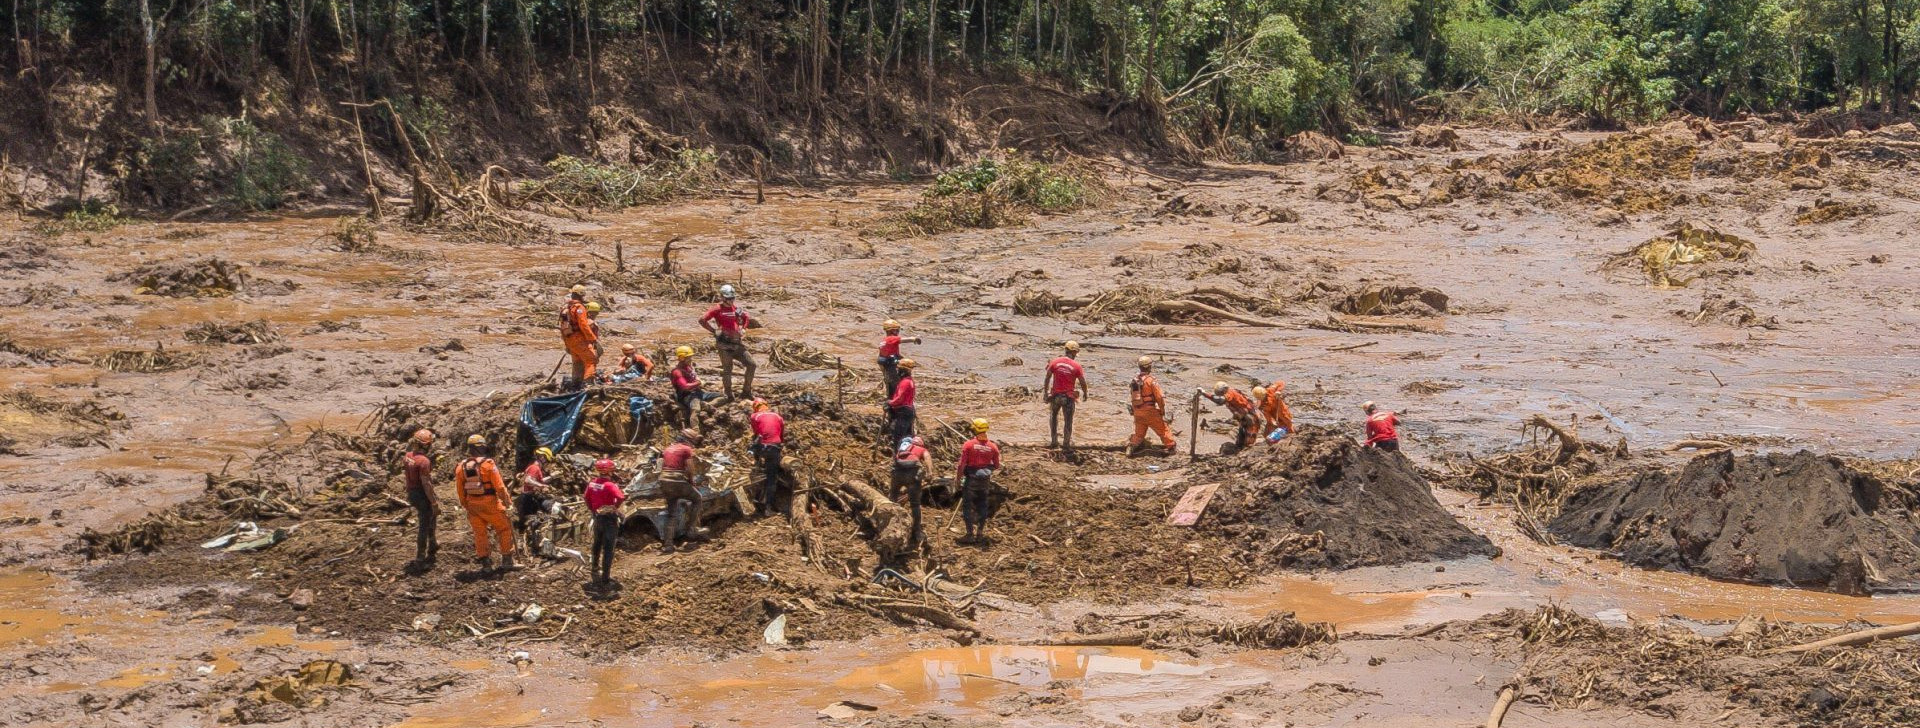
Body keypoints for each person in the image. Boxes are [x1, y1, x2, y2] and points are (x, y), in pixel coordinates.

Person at [454, 434, 516, 571]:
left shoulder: (460, 467)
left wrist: (466, 505)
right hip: (490, 503)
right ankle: (507, 560)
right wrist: (508, 503)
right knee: (504, 528)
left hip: (472, 505)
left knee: (479, 533)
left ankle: (486, 564)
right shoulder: (488, 465)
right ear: (481, 447)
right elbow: (500, 487)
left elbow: (460, 490)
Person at [699, 284, 756, 400]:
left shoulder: (735, 308)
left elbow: (746, 317)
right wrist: (714, 331)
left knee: (752, 364)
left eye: (732, 298)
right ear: (722, 298)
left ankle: (746, 391)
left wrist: (743, 328)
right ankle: (729, 394)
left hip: (737, 344)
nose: (731, 301)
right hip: (724, 345)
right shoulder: (717, 309)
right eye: (728, 298)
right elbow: (702, 320)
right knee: (728, 369)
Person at [657, 429, 708, 554]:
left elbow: (662, 466)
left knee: (672, 513)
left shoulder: (668, 449)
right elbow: (690, 468)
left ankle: (668, 545)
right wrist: (691, 482)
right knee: (697, 498)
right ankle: (691, 529)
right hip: (676, 479)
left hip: (664, 480)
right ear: (689, 440)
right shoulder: (686, 449)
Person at [955, 419, 1001, 544]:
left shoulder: (968, 445)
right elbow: (996, 465)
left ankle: (970, 534)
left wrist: (958, 479)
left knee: (967, 506)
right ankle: (980, 533)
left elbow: (961, 465)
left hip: (971, 480)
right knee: (982, 505)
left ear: (974, 430)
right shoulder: (993, 447)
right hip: (985, 481)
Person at [584, 458, 626, 587]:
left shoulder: (592, 483)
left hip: (598, 517)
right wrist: (614, 507)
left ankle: (594, 567)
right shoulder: (609, 485)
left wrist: (593, 510)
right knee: (608, 548)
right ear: (610, 471)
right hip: (609, 519)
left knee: (597, 543)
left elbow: (586, 497)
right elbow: (621, 497)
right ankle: (605, 579)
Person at [1042, 341, 1089, 452]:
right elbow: (1082, 382)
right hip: (1068, 398)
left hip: (1055, 396)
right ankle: (1066, 444)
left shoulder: (1055, 362)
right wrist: (1085, 393)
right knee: (1068, 421)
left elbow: (1047, 377)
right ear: (1074, 352)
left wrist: (1045, 392)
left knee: (1053, 418)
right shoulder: (1076, 366)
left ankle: (1054, 441)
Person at [400, 429, 439, 564]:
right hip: (422, 494)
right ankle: (421, 555)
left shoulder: (408, 456)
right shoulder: (424, 461)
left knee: (430, 517)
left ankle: (433, 543)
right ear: (426, 445)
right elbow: (426, 483)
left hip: (412, 492)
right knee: (424, 523)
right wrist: (434, 502)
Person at [1126, 357, 1177, 456]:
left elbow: (1132, 396)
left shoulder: (1134, 380)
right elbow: (1159, 397)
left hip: (1137, 411)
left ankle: (1131, 446)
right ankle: (1171, 447)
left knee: (1139, 434)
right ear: (1149, 367)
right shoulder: (1151, 381)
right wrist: (1162, 410)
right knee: (1163, 429)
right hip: (1149, 411)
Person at [516, 447, 559, 558]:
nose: (546, 462)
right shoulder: (534, 467)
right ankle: (530, 548)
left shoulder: (535, 468)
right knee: (531, 522)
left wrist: (552, 476)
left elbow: (540, 480)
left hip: (529, 498)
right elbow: (528, 480)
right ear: (542, 457)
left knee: (532, 522)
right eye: (546, 460)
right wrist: (541, 486)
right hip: (527, 499)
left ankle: (531, 547)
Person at [748, 399, 786, 516]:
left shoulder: (754, 416)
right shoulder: (778, 416)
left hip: (761, 448)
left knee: (754, 443)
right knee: (771, 478)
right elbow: (781, 436)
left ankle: (757, 462)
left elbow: (756, 433)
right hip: (774, 448)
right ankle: (768, 507)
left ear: (755, 408)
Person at [890, 436, 930, 547]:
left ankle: (891, 524)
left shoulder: (902, 448)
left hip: (897, 474)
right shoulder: (921, 449)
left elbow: (894, 461)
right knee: (915, 504)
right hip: (912, 476)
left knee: (892, 499)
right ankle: (917, 531)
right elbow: (927, 458)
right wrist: (930, 473)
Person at [1200, 382, 1259, 454]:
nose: (1220, 395)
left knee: (1249, 442)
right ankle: (1239, 451)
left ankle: (1247, 454)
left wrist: (1205, 394)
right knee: (1240, 441)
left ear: (1224, 390)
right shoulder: (1230, 392)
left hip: (1251, 419)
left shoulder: (1230, 393)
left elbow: (1220, 401)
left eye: (1220, 393)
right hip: (1243, 419)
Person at [559, 285, 598, 391]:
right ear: (581, 295)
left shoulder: (566, 308)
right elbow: (583, 325)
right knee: (591, 360)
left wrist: (567, 344)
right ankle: (588, 385)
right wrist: (592, 338)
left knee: (577, 362)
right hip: (579, 339)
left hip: (569, 340)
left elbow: (562, 327)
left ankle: (575, 385)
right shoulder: (579, 308)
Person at [669, 346, 720, 427]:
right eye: (689, 358)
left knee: (723, 396)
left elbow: (694, 377)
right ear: (682, 358)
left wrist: (697, 381)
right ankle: (695, 429)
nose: (691, 359)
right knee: (696, 409)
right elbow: (685, 386)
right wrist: (699, 383)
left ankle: (705, 405)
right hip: (687, 396)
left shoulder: (688, 368)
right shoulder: (677, 372)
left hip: (698, 393)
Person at [877, 320, 922, 397]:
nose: (898, 332)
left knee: (889, 381)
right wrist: (914, 339)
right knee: (895, 382)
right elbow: (903, 340)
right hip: (890, 364)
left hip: (885, 364)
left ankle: (890, 396)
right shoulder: (892, 338)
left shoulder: (884, 341)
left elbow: (883, 355)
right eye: (897, 330)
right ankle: (895, 398)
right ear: (892, 330)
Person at [885, 358, 918, 447]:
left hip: (903, 412)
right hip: (908, 411)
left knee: (899, 438)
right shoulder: (909, 381)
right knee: (907, 437)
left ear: (903, 371)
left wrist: (890, 403)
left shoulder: (905, 383)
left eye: (898, 369)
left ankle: (898, 454)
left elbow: (899, 399)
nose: (897, 371)